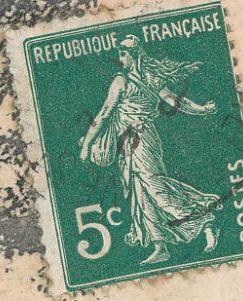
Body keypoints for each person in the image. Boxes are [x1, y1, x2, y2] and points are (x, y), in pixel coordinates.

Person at [79, 36, 221, 266]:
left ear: (135, 54)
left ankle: (204, 221)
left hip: (142, 140)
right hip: (126, 144)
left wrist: (86, 145)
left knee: (154, 188)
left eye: (124, 53)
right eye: (119, 53)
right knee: (140, 194)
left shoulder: (125, 81)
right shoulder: (136, 79)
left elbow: (105, 114)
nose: (120, 58)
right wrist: (202, 109)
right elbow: (108, 112)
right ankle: (160, 246)